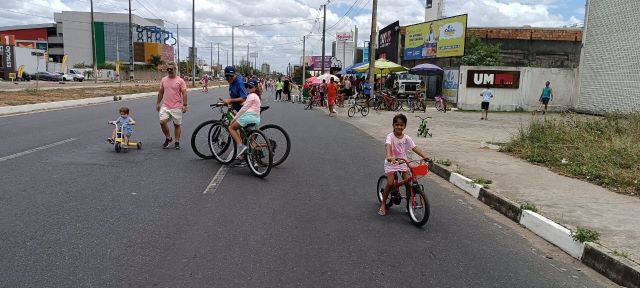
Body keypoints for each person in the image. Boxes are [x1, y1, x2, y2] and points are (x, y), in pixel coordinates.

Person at [378, 114, 430, 216]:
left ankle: (408, 205)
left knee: (408, 183)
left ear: (404, 126)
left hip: (403, 162)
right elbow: (387, 145)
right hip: (391, 162)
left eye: (401, 125)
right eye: (397, 124)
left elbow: (414, 148)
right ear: (393, 125)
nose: (399, 127)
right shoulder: (390, 136)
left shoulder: (406, 138)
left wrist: (425, 156)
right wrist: (389, 156)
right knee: (390, 183)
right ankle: (383, 204)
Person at [224, 78, 261, 160]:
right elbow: (248, 104)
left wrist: (235, 119)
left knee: (231, 128)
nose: (248, 88)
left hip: (248, 118)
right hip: (256, 119)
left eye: (250, 87)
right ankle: (252, 158)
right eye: (247, 86)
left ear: (255, 88)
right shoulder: (256, 96)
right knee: (250, 138)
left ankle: (241, 147)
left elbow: (244, 109)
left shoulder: (251, 96)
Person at [157, 63, 188, 150]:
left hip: (177, 106)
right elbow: (161, 92)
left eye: (171, 69)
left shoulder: (180, 81)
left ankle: (177, 142)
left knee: (176, 125)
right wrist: (158, 103)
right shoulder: (163, 80)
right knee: (162, 122)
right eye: (168, 69)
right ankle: (168, 138)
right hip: (165, 106)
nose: (169, 70)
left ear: (175, 69)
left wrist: (185, 105)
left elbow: (184, 93)